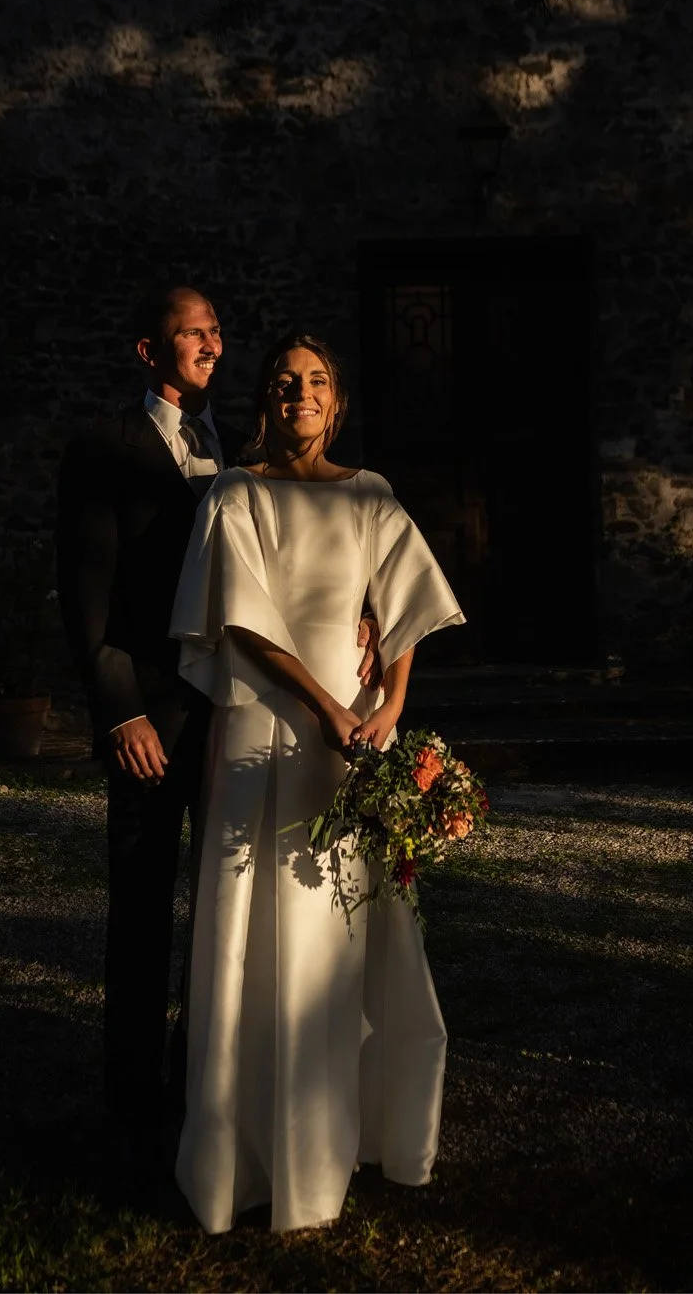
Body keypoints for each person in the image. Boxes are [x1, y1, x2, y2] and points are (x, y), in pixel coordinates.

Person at [56, 286, 383, 1197]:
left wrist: (359, 606)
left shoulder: (236, 454)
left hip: (239, 716)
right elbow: (87, 594)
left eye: (213, 330)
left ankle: (205, 1083)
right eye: (189, 332)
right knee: (142, 912)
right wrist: (118, 710)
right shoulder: (103, 449)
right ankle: (133, 1109)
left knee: (229, 909)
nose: (210, 341)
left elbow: (295, 553)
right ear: (149, 352)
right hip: (155, 720)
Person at [168, 331, 465, 1233]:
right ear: (268, 399)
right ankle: (248, 1156)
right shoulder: (236, 492)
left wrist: (391, 704)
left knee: (349, 937)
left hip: (353, 733)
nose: (300, 392)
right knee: (256, 933)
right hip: (267, 726)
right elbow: (245, 621)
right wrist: (326, 707)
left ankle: (356, 1132)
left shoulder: (371, 497)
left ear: (336, 403)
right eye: (286, 381)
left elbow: (403, 604)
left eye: (318, 381)